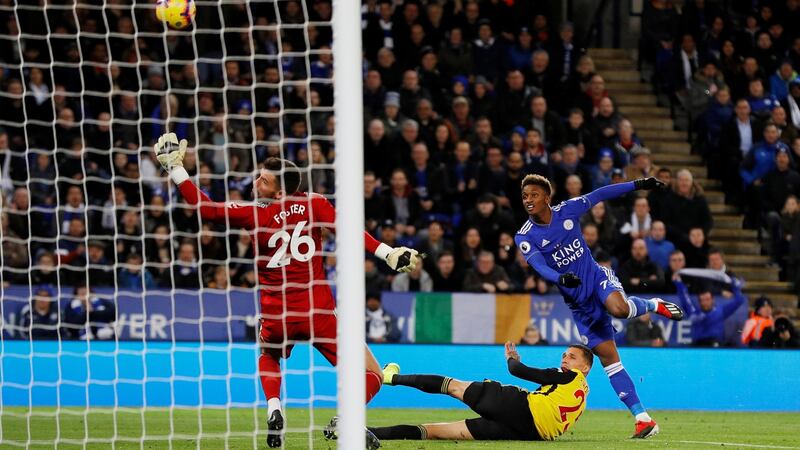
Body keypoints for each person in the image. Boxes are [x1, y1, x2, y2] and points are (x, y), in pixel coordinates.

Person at [153, 133, 421, 448]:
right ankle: (349, 421)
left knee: (268, 354)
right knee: (372, 373)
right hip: (318, 312)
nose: (255, 183)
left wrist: (176, 169)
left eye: (263, 181)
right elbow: (347, 229)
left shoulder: (253, 214)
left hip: (276, 313)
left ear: (279, 190)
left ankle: (274, 407)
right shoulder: (315, 203)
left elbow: (206, 208)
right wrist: (386, 252)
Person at [513, 174, 684, 438]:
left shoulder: (568, 210)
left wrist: (638, 185)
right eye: (525, 196)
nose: (528, 200)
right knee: (610, 361)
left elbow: (600, 194)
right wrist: (559, 278)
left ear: (547, 197)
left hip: (596, 278)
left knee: (620, 309)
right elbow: (538, 265)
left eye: (534, 195)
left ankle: (651, 303)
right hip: (579, 304)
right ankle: (643, 419)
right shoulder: (525, 235)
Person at [329, 343, 592, 443]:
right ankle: (360, 433)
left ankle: (389, 376)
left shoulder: (569, 376)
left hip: (518, 408)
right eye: (564, 354)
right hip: (530, 433)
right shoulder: (581, 391)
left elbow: (518, 371)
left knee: (451, 385)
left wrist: (512, 358)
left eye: (572, 356)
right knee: (433, 431)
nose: (565, 359)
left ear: (586, 367)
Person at [675, 277, 746, 347]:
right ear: (699, 302)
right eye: (702, 300)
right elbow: (685, 299)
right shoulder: (694, 313)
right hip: (698, 345)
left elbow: (739, 300)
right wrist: (678, 282)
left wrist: (735, 287)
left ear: (712, 300)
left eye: (707, 299)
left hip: (715, 344)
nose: (705, 302)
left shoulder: (721, 311)